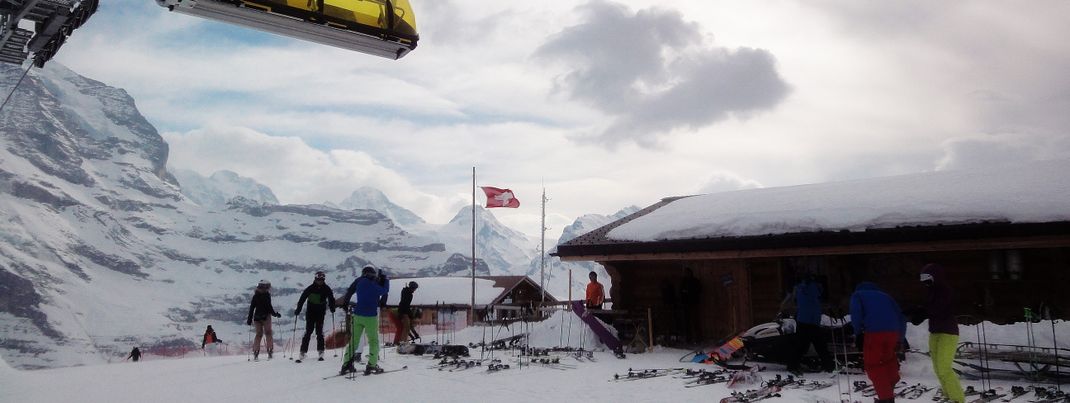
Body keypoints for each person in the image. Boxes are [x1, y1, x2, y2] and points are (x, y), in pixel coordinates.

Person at [850, 280, 904, 403]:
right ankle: (891, 382)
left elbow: (856, 313)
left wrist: (858, 332)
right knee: (887, 360)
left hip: (874, 333)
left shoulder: (858, 295)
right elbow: (901, 316)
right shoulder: (886, 296)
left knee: (873, 365)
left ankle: (886, 398)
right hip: (893, 332)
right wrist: (900, 338)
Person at [918, 264, 965, 403]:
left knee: (944, 367)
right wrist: (917, 310)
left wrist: (922, 311)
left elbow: (938, 308)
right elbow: (929, 308)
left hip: (948, 332)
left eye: (927, 278)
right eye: (923, 279)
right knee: (938, 368)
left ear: (935, 277)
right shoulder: (931, 292)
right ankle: (948, 395)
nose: (925, 282)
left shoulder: (945, 290)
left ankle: (958, 399)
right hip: (935, 332)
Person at [337, 265, 389, 375]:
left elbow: (350, 291)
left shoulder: (359, 281)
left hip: (357, 315)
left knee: (354, 341)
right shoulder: (374, 284)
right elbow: (384, 291)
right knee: (373, 341)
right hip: (370, 317)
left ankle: (346, 364)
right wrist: (386, 280)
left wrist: (345, 304)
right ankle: (372, 365)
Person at [784, 274, 835, 374]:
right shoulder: (817, 289)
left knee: (800, 346)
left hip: (803, 320)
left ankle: (792, 365)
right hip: (814, 321)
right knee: (821, 346)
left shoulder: (800, 289)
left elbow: (793, 300)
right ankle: (829, 367)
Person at [295, 271, 336, 362]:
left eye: (322, 280)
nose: (320, 281)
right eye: (318, 279)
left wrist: (332, 307)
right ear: (315, 279)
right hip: (311, 312)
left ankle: (321, 351)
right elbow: (302, 299)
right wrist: (298, 309)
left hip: (320, 312)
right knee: (308, 331)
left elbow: (331, 298)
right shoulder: (310, 288)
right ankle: (303, 351)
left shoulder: (326, 289)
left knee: (319, 331)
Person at [246, 280, 282, 361]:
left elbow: (252, 308)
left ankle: (256, 353)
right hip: (266, 317)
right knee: (268, 333)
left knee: (258, 334)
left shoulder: (255, 296)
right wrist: (275, 314)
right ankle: (270, 351)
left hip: (257, 318)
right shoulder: (267, 295)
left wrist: (249, 319)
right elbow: (269, 307)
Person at [679, 267, 703, 343]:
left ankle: (698, 338)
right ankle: (688, 338)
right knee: (687, 322)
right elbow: (681, 291)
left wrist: (690, 292)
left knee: (695, 321)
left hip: (694, 303)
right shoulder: (684, 281)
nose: (687, 274)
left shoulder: (695, 281)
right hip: (686, 304)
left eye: (688, 273)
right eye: (686, 273)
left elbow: (699, 290)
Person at [394, 281, 419, 345]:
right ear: (413, 288)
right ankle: (403, 343)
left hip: (402, 311)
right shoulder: (409, 294)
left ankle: (403, 342)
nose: (415, 290)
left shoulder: (405, 291)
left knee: (406, 328)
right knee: (406, 328)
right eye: (415, 288)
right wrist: (410, 314)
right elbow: (406, 304)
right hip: (404, 312)